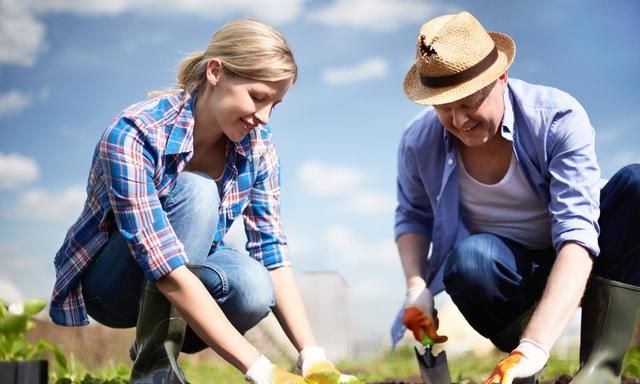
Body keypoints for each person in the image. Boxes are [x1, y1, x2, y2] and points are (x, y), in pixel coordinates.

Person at [49, 19, 357, 384]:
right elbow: (164, 265)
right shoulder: (133, 134)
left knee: (255, 287)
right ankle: (154, 371)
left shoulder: (258, 146)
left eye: (275, 104)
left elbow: (272, 251)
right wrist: (260, 369)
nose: (263, 116)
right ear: (215, 72)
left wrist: (312, 356)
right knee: (197, 191)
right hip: (115, 285)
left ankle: (160, 351)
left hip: (187, 273)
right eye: (257, 97)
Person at [393, 11, 640, 384]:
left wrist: (536, 345)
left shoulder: (556, 118)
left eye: (469, 103)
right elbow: (412, 216)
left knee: (637, 184)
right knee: (469, 262)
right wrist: (417, 287)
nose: (460, 121)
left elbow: (576, 233)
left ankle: (598, 371)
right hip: (512, 271)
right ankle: (522, 373)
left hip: (592, 257)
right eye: (444, 108)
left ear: (501, 77)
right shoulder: (418, 143)